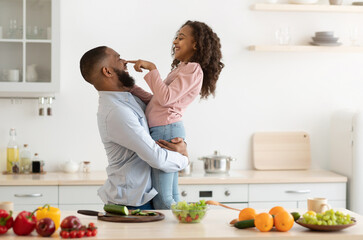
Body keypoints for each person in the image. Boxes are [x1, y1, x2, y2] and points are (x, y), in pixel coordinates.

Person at [127, 20, 224, 209]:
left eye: (181, 37)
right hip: (166, 129)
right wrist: (131, 87)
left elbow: (165, 98)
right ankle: (184, 226)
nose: (175, 42)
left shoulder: (192, 69)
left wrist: (152, 68)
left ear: (196, 44)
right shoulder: (183, 68)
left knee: (163, 197)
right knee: (170, 195)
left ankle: (176, 231)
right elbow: (158, 99)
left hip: (165, 131)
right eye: (176, 37)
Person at [79, 46, 189, 210]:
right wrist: (185, 158)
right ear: (107, 71)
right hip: (132, 204)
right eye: (118, 58)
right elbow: (156, 156)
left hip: (143, 198)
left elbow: (162, 111)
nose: (125, 62)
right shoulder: (116, 112)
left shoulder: (128, 98)